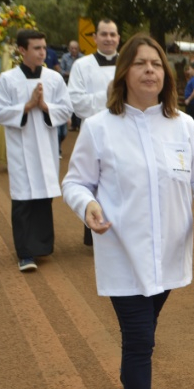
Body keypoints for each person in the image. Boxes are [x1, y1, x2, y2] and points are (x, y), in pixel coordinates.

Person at [62, 34, 194, 389]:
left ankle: (131, 376)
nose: (150, 70)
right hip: (123, 253)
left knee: (143, 334)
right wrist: (87, 205)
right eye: (140, 63)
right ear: (124, 73)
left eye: (156, 64)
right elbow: (76, 183)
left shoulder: (183, 126)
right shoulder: (99, 127)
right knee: (141, 341)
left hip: (169, 257)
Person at [0, 29, 73, 272]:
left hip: (46, 147)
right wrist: (26, 106)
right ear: (22, 50)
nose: (42, 52)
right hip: (21, 148)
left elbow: (67, 109)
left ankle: (41, 246)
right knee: (23, 200)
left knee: (43, 198)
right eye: (36, 48)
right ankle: (25, 253)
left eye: (43, 47)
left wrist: (45, 106)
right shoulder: (7, 79)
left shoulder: (54, 78)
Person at [68, 18, 121, 246]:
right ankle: (93, 229)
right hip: (95, 134)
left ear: (118, 38)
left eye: (113, 34)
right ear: (95, 37)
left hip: (123, 133)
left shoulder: (129, 64)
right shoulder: (82, 65)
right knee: (93, 179)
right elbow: (76, 103)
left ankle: (120, 229)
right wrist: (108, 95)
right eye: (104, 34)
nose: (109, 38)